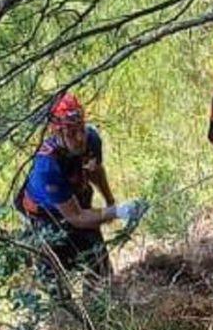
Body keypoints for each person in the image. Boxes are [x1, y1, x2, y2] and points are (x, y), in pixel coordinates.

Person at [15, 92, 144, 292]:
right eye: (71, 133)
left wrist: (110, 201)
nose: (80, 138)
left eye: (81, 129)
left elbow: (94, 170)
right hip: (45, 221)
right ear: (57, 133)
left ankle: (100, 311)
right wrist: (117, 212)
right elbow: (76, 217)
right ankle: (68, 319)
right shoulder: (47, 167)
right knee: (57, 289)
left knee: (101, 277)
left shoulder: (91, 139)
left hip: (76, 203)